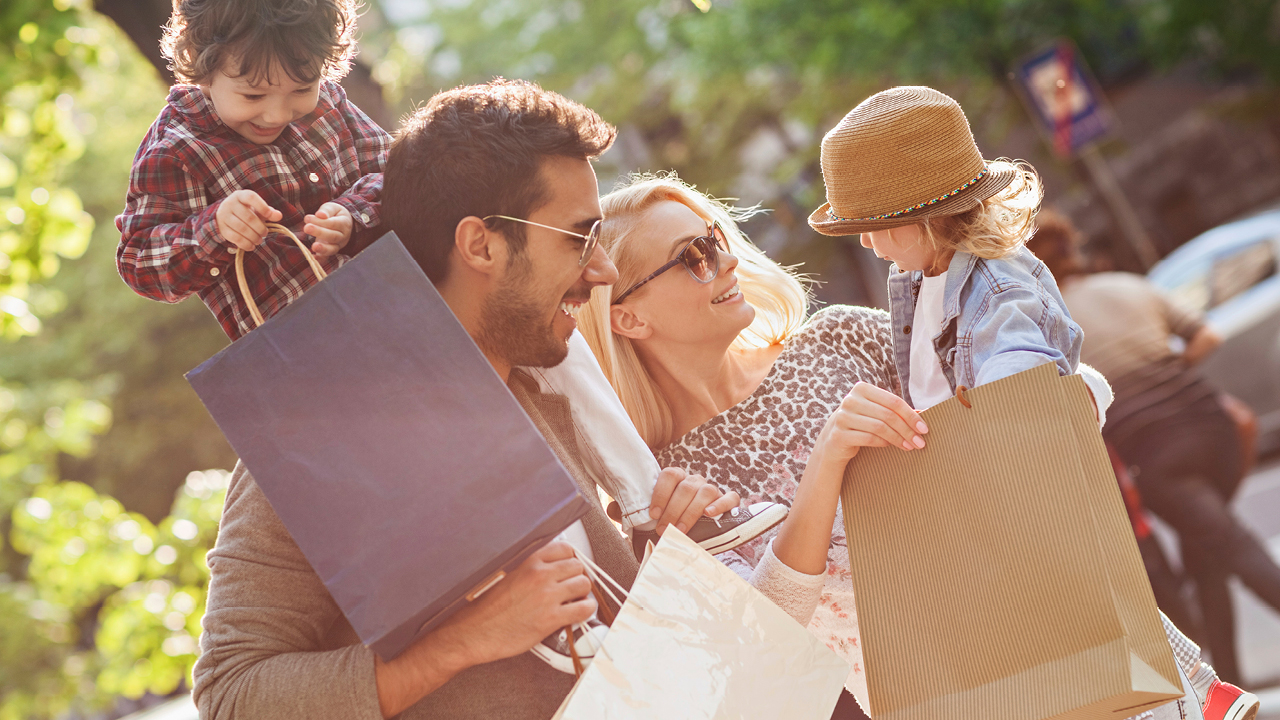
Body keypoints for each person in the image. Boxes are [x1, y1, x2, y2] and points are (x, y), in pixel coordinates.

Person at [192, 79, 902, 720]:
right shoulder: (327, 433)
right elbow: (229, 693)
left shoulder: (549, 392)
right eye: (579, 239)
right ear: (480, 246)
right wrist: (460, 642)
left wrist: (658, 547)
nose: (599, 272)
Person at [578, 172, 1218, 720]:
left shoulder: (837, 340)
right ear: (628, 316)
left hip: (1056, 628)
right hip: (950, 697)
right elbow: (768, 645)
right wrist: (827, 463)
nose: (726, 264)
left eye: (716, 241)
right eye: (692, 257)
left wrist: (1042, 401)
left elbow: (1071, 395)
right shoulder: (664, 490)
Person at [1029, 209, 1270, 716]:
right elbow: (1207, 337)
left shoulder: (1050, 322)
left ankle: (1225, 689)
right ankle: (1230, 685)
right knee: (1208, 560)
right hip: (1215, 428)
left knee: (1233, 548)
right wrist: (1168, 372)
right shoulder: (1128, 285)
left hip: (1160, 458)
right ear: (1074, 250)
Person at [116, 0, 389, 340]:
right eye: (253, 95)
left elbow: (402, 175)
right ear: (201, 67)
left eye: (302, 89)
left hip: (394, 303)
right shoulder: (177, 149)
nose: (277, 114)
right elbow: (140, 264)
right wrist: (214, 229)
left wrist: (354, 215)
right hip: (300, 351)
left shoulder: (331, 104)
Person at [808, 86, 1081, 413]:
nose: (865, 241)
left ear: (921, 220)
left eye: (869, 225)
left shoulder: (996, 288)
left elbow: (1019, 360)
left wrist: (999, 392)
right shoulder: (922, 279)